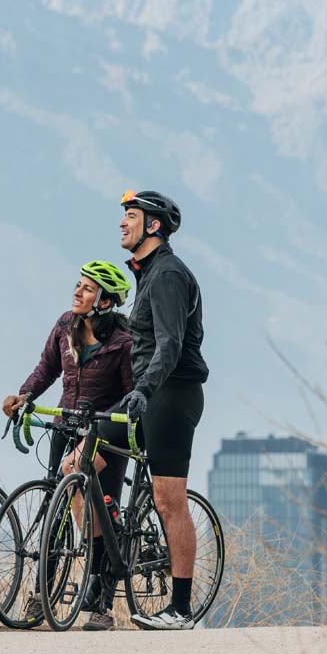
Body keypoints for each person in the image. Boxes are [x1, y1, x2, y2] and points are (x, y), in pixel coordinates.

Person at [2, 260, 134, 630]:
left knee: (103, 511)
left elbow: (131, 393)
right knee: (56, 508)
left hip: (105, 431)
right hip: (66, 424)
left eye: (88, 289)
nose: (78, 292)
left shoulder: (123, 342)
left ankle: (102, 602)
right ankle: (43, 593)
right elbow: (47, 368)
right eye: (79, 285)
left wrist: (105, 426)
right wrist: (25, 395)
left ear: (105, 301)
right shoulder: (66, 325)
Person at [116, 190, 209, 630]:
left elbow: (169, 344)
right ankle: (101, 586)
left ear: (153, 226)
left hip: (172, 394)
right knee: (82, 460)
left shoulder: (168, 273)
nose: (122, 223)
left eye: (131, 217)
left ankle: (182, 609)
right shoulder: (146, 272)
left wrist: (146, 389)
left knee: (168, 500)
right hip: (147, 393)